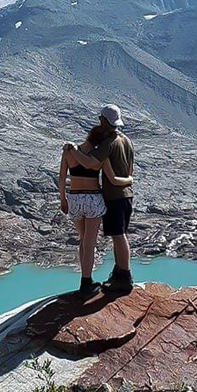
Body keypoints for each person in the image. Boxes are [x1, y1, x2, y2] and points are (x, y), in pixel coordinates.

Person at [64, 104, 136, 292]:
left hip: (113, 197)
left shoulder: (108, 143)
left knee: (117, 236)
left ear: (103, 120)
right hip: (126, 195)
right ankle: (118, 273)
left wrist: (72, 150)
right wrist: (128, 180)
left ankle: (124, 276)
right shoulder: (126, 141)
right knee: (117, 235)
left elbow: (90, 164)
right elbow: (130, 171)